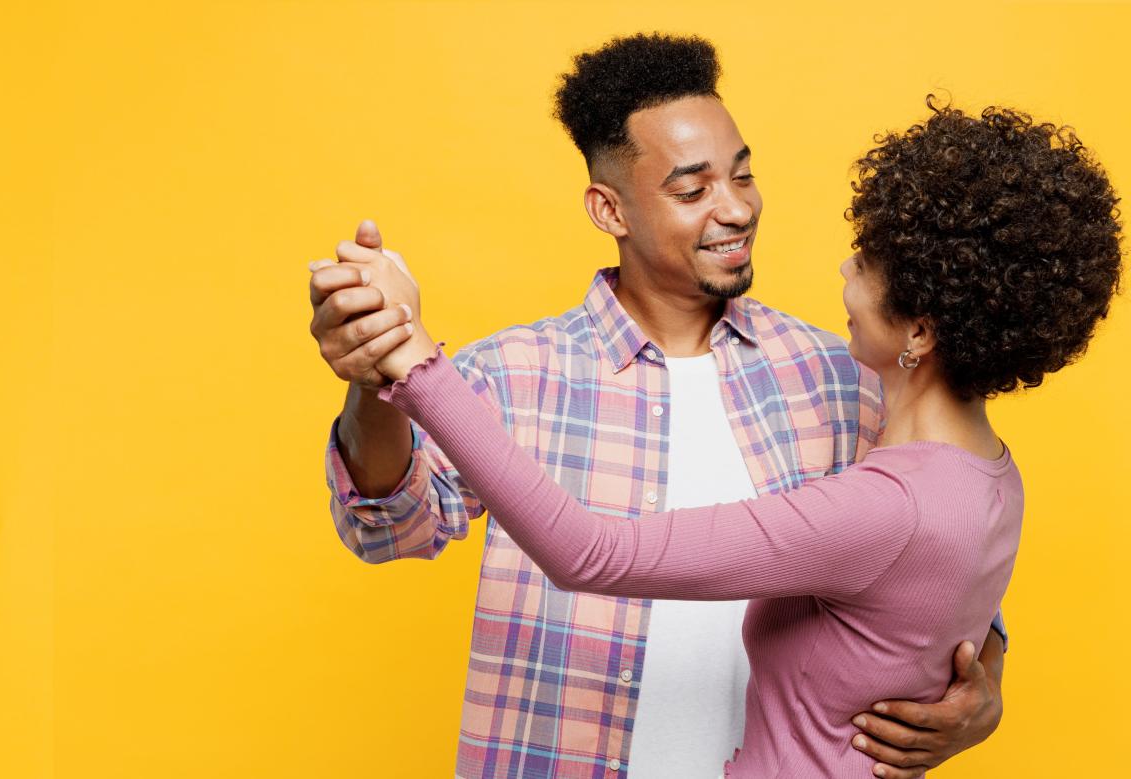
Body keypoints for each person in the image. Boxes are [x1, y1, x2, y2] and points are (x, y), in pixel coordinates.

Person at [336, 99, 1122, 775]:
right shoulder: (511, 372)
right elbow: (390, 528)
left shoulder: (843, 381)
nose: (738, 207)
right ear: (611, 209)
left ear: (921, 326)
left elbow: (934, 594)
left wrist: (985, 685)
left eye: (743, 174)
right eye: (693, 186)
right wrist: (379, 370)